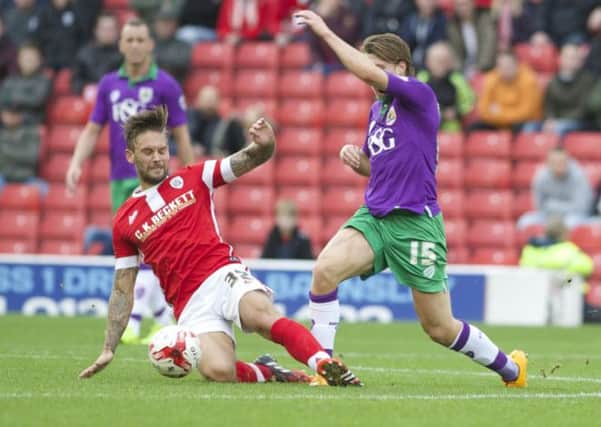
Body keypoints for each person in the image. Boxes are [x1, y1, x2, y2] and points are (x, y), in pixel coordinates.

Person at [295, 9, 528, 388]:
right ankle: (323, 369)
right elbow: (386, 165)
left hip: (415, 222)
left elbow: (367, 73)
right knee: (324, 271)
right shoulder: (377, 110)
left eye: (380, 67)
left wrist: (325, 32)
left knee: (439, 327)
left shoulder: (419, 94)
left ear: (400, 67)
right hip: (375, 215)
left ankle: (511, 369)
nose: (372, 77)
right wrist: (361, 164)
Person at [78, 106, 362, 387]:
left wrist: (265, 145)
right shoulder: (125, 220)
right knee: (219, 371)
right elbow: (122, 289)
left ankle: (323, 365)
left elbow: (251, 158)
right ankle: (271, 371)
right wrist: (109, 348)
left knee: (260, 315)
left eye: (162, 150)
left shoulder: (194, 176)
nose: (157, 158)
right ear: (130, 155)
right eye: (148, 152)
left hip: (222, 274)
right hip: (189, 302)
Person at [65, 18, 195, 345]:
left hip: (156, 180)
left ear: (150, 44)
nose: (135, 45)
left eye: (140, 39)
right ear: (121, 45)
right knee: (130, 250)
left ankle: (138, 321)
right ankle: (161, 318)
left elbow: (181, 133)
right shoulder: (109, 85)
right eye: (130, 39)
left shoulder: (166, 85)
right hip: (120, 180)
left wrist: (192, 175)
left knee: (153, 248)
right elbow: (93, 128)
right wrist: (76, 162)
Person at [523, 43, 596, 137]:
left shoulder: (587, 80)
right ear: (560, 58)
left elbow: (584, 109)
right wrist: (550, 119)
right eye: (566, 56)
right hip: (555, 122)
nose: (569, 61)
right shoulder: (553, 81)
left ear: (580, 62)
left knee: (559, 128)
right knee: (529, 127)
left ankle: (555, 151)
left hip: (578, 122)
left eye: (573, 58)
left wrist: (558, 122)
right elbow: (548, 105)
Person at [517, 147, 593, 229]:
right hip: (549, 216)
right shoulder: (541, 177)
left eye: (562, 162)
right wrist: (554, 211)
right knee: (525, 222)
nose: (559, 165)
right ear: (548, 163)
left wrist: (553, 205)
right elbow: (539, 206)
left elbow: (581, 207)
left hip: (571, 216)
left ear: (568, 161)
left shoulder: (579, 176)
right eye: (555, 162)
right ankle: (538, 242)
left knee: (571, 224)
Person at [473, 50, 542, 131]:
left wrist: (499, 113)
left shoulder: (528, 80)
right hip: (497, 122)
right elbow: (483, 110)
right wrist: (502, 117)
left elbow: (525, 113)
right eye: (501, 66)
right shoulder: (491, 79)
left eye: (508, 66)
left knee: (525, 128)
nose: (505, 70)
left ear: (517, 65)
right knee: (474, 128)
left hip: (523, 122)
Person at [417, 42, 475, 132]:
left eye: (444, 60)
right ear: (428, 62)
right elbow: (414, 104)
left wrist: (456, 112)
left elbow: (469, 102)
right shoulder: (421, 79)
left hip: (451, 128)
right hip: (425, 127)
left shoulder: (457, 80)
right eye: (437, 60)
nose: (440, 64)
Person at [519, 215, 593, 278]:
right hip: (564, 288)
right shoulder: (567, 249)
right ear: (564, 234)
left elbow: (524, 266)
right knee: (570, 279)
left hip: (538, 290)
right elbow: (587, 266)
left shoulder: (530, 249)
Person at [70, 11, 122, 94]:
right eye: (104, 29)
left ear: (117, 31)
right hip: (90, 99)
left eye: (111, 29)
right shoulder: (84, 54)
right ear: (96, 30)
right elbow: (76, 81)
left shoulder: (124, 55)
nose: (107, 33)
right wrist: (85, 88)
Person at [0, 42, 51, 124]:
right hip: (6, 123)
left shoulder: (44, 81)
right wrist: (5, 116)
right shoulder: (10, 80)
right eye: (25, 57)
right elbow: (2, 98)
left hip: (31, 125)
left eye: (32, 57)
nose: (28, 61)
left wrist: (12, 97)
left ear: (40, 60)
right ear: (19, 59)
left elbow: (36, 100)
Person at [0, 101, 46, 193]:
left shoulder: (32, 133)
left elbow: (32, 156)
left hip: (26, 177)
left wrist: (6, 152)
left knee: (44, 190)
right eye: (8, 113)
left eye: (14, 114)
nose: (11, 117)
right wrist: (19, 153)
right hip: (3, 176)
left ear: (20, 116)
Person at [447, 0, 497, 76]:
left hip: (485, 67)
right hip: (463, 69)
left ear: (473, 4)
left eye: (465, 4)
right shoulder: (453, 26)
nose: (463, 8)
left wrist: (480, 68)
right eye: (459, 5)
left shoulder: (484, 19)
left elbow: (488, 44)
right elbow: (455, 51)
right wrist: (459, 70)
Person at [153, 7, 191, 84]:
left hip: (173, 85)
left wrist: (155, 59)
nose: (165, 26)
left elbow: (180, 63)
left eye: (169, 23)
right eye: (162, 23)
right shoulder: (150, 43)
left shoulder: (183, 45)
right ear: (156, 24)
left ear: (175, 25)